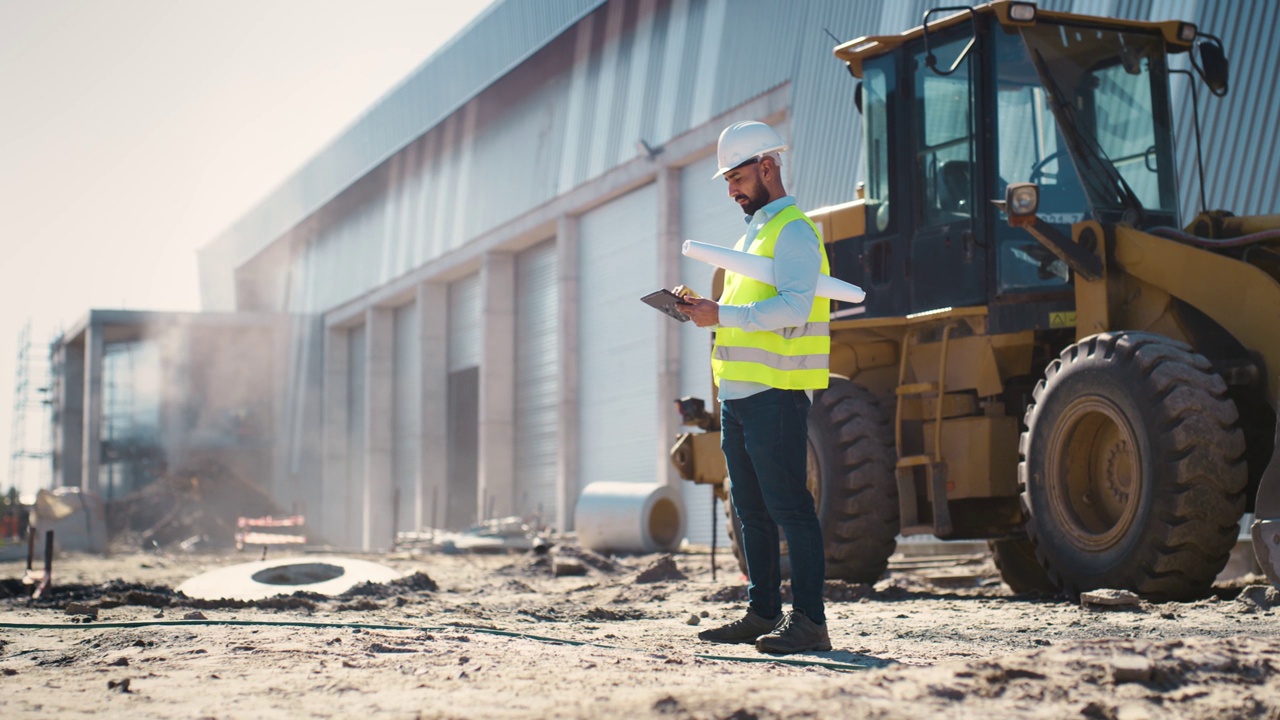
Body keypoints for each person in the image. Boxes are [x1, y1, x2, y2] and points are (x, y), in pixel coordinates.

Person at [680, 120, 832, 655]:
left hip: (776, 393)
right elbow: (745, 317)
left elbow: (792, 306)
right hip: (741, 398)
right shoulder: (753, 236)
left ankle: (810, 622)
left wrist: (720, 312)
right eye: (728, 181)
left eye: (738, 177)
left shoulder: (793, 231)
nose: (731, 190)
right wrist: (705, 314)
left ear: (768, 167)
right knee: (751, 509)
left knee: (790, 507)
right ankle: (763, 610)